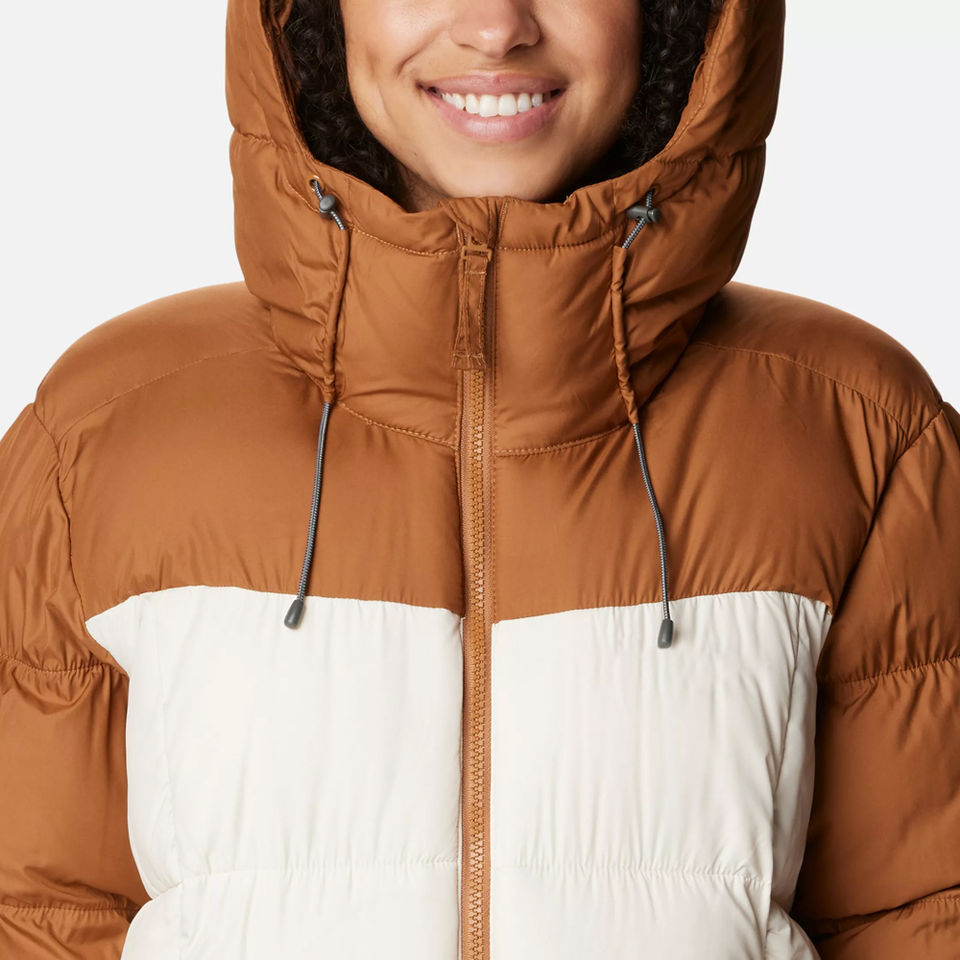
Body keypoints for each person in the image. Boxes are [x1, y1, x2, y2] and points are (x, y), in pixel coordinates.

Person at [0, 0, 957, 956]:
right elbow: (38, 916)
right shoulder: (101, 434)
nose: (497, 28)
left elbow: (920, 916)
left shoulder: (859, 433)